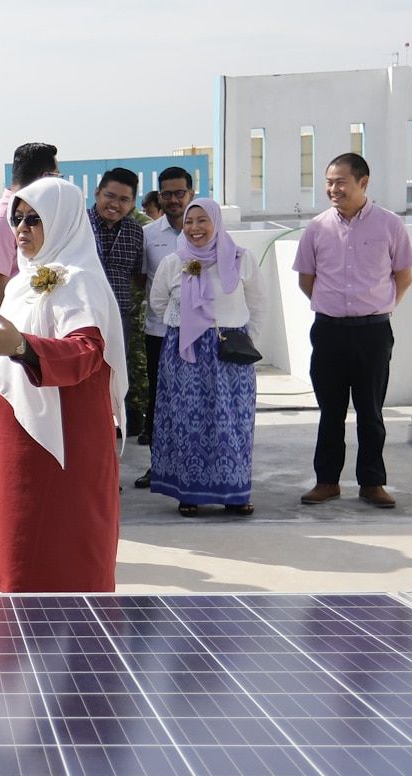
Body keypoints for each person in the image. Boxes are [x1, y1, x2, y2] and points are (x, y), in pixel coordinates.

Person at [0, 177, 126, 592]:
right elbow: (4, 373)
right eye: (17, 219)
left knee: (63, 559)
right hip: (15, 445)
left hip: (63, 449)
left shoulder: (79, 280)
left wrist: (19, 344)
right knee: (21, 557)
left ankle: (74, 654)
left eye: (34, 219)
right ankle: (18, 653)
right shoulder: (20, 283)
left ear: (62, 221)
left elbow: (87, 350)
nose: (21, 229)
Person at [295, 153, 412, 508]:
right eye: (329, 182)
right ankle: (327, 481)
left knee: (370, 411)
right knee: (330, 411)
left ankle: (372, 483)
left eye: (340, 181)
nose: (333, 189)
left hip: (373, 333)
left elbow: (403, 277)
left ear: (363, 182)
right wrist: (332, 306)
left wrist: (380, 306)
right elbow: (307, 280)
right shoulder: (317, 227)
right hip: (329, 331)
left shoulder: (390, 225)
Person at [149, 198, 265, 516]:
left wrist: (241, 338)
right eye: (189, 222)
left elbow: (257, 303)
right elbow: (158, 303)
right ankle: (190, 493)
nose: (195, 228)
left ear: (216, 222)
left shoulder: (242, 259)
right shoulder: (174, 262)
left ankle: (235, 494)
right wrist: (188, 326)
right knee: (188, 423)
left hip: (229, 351)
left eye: (203, 220)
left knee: (233, 423)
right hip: (185, 352)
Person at [134, 167, 194, 488]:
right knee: (160, 402)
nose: (173, 200)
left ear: (191, 194)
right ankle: (159, 465)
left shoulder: (203, 229)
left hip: (199, 335)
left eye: (179, 193)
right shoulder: (149, 235)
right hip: (159, 334)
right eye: (166, 194)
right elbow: (142, 282)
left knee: (196, 402)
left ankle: (194, 466)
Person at [0, 142, 58, 326]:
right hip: (2, 333)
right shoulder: (0, 219)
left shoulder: (28, 213)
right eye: (57, 177)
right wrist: (12, 336)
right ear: (46, 177)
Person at [88, 167, 145, 435]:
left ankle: (113, 427)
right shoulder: (78, 226)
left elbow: (136, 274)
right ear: (97, 193)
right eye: (110, 196)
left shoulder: (136, 232)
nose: (115, 204)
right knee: (86, 377)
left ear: (133, 202)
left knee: (117, 375)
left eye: (124, 200)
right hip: (84, 316)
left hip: (120, 318)